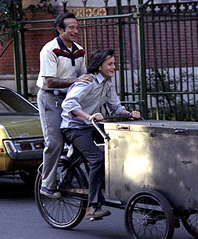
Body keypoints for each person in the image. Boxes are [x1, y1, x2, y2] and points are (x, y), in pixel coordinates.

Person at [60, 48, 141, 219]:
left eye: (114, 63)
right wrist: (88, 116)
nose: (114, 67)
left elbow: (115, 107)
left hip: (92, 126)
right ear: (99, 66)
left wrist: (129, 114)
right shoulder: (87, 82)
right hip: (74, 127)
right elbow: (68, 104)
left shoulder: (107, 84)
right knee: (97, 159)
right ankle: (92, 207)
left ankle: (116, 187)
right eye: (110, 64)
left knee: (120, 144)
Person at [36, 12, 93, 198]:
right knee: (55, 141)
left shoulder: (79, 50)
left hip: (69, 100)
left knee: (78, 137)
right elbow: (50, 82)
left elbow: (84, 79)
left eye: (77, 27)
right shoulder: (49, 50)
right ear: (60, 30)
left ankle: (67, 175)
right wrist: (77, 80)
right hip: (50, 99)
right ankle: (47, 184)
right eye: (71, 28)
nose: (76, 31)